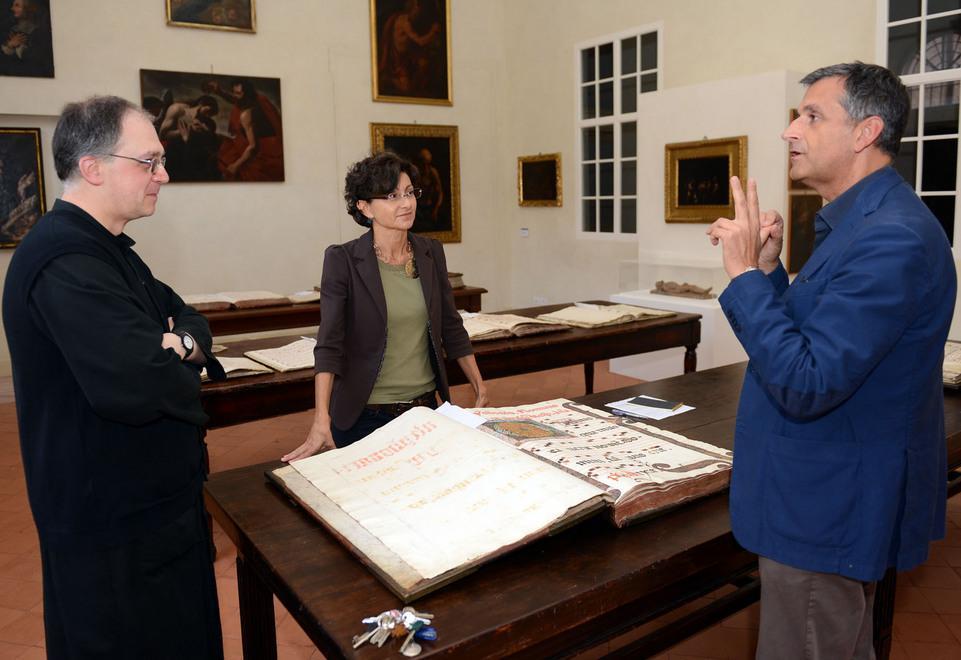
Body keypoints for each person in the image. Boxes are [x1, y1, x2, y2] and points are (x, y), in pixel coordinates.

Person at [706, 62, 956, 658]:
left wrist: (742, 275)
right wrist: (768, 271)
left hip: (826, 503)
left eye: (812, 116)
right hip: (821, 489)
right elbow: (816, 339)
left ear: (866, 133)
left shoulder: (889, 235)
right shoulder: (864, 222)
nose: (791, 130)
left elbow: (807, 381)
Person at [2, 95, 226, 658]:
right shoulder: (64, 260)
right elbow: (142, 382)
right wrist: (174, 352)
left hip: (150, 515)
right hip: (112, 530)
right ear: (92, 167)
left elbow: (190, 316)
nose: (164, 176)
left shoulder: (108, 250)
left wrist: (183, 341)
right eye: (148, 162)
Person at [282, 151, 487, 460]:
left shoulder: (430, 252)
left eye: (409, 193)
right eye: (392, 196)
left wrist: (478, 384)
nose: (406, 203)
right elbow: (329, 344)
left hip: (426, 410)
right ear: (364, 207)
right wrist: (321, 418)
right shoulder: (343, 260)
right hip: (365, 416)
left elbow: (450, 324)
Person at [204, 78, 284, 181]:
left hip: (263, 153)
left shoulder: (247, 114)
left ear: (247, 94)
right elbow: (235, 99)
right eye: (234, 92)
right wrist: (219, 91)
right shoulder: (254, 99)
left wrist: (235, 165)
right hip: (254, 144)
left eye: (238, 93)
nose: (235, 96)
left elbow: (253, 146)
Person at [0, 0, 53, 77]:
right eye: (13, 5)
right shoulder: (12, 29)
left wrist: (19, 48)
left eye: (17, 5)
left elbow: (40, 62)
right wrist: (10, 45)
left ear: (27, 9)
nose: (12, 8)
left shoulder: (39, 32)